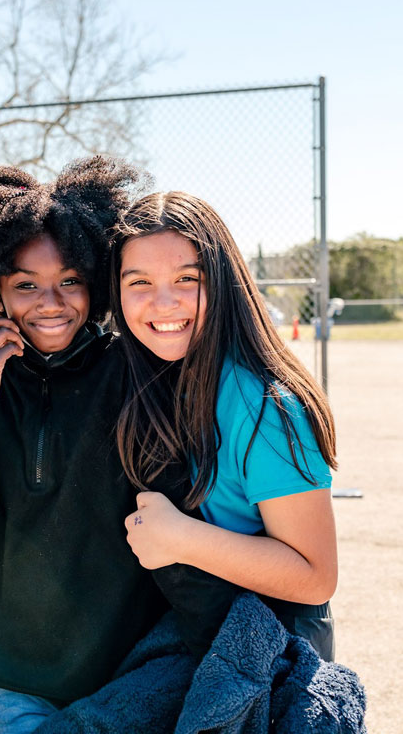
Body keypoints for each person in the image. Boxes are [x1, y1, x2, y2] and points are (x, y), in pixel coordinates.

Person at [0, 157, 167, 734]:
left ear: (96, 281)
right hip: (16, 674)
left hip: (128, 672)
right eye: (26, 285)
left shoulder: (136, 371)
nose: (51, 302)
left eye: (70, 281)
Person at [110, 190, 339, 660]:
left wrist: (179, 538)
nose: (164, 302)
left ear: (222, 279)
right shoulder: (152, 375)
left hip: (270, 655)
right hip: (198, 638)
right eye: (139, 282)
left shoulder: (264, 404)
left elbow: (316, 577)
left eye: (186, 278)